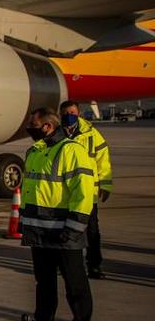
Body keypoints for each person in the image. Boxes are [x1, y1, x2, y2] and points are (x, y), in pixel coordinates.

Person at [20, 108, 95, 321]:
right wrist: (25, 223)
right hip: (39, 232)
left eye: (33, 125)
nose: (29, 129)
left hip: (65, 232)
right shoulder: (34, 152)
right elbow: (30, 191)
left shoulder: (72, 151)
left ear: (48, 126)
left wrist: (74, 229)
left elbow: (84, 193)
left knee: (75, 285)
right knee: (44, 285)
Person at [60, 100, 112, 279]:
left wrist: (105, 184)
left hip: (87, 193)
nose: (69, 116)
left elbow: (103, 161)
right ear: (60, 115)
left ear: (79, 113)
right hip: (63, 194)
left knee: (92, 232)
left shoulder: (92, 134)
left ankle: (94, 265)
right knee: (63, 231)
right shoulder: (57, 134)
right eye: (66, 113)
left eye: (72, 113)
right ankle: (63, 265)